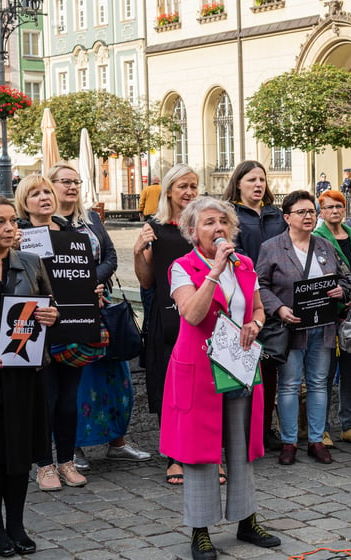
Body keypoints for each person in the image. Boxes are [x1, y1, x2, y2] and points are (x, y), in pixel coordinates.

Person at [162, 197, 280, 559]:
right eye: (209, 223)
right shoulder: (182, 267)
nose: (218, 229)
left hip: (239, 364)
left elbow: (257, 308)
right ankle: (200, 529)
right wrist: (213, 272)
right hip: (199, 368)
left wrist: (255, 324)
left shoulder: (244, 263)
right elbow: (193, 315)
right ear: (192, 231)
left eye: (222, 222)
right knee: (200, 451)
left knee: (241, 445)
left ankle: (246, 519)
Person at [47, 163, 149, 471]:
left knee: (114, 376)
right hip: (66, 313)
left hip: (100, 305)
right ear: (50, 184)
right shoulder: (44, 224)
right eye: (65, 181)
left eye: (76, 181)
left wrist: (94, 280)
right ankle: (73, 445)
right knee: (77, 381)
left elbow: (110, 256)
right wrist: (75, 286)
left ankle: (116, 440)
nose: (72, 187)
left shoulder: (89, 218)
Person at [0, 194, 59, 557]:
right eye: (0, 222)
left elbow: (48, 304)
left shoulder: (30, 262)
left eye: (13, 220)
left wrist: (50, 316)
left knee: (19, 452)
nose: (10, 227)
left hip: (24, 373)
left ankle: (16, 524)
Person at [14, 175, 101, 492]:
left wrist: (95, 289)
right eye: (35, 194)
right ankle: (44, 465)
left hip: (73, 327)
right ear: (25, 203)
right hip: (36, 329)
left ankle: (66, 460)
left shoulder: (72, 235)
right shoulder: (20, 237)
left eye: (47, 191)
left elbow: (82, 273)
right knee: (44, 401)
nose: (44, 197)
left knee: (67, 401)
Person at [256, 190, 349, 466]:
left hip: (322, 327)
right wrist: (279, 309)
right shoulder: (271, 247)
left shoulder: (325, 246)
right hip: (290, 328)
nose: (308, 216)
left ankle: (317, 440)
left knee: (320, 384)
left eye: (311, 211)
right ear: (287, 217)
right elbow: (259, 285)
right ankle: (289, 442)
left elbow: (347, 280)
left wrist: (339, 291)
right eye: (302, 212)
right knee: (289, 385)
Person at [133, 164, 199, 485]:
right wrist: (136, 252)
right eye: (182, 186)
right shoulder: (154, 227)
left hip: (200, 318)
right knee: (168, 385)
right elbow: (146, 281)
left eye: (193, 186)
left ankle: (204, 451)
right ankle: (174, 455)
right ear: (169, 190)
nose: (188, 192)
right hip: (166, 316)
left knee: (202, 386)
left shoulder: (202, 224)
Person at [223, 160, 287, 450]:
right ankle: (238, 430)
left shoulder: (276, 215)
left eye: (261, 179)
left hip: (275, 300)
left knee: (269, 366)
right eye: (251, 180)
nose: (258, 185)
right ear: (238, 183)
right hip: (242, 295)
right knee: (239, 364)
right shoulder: (230, 214)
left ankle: (263, 428)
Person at [312, 190, 351, 446]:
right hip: (327, 313)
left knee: (350, 371)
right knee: (324, 373)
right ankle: (322, 428)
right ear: (321, 211)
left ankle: (348, 424)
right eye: (329, 207)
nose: (335, 211)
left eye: (339, 206)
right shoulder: (316, 238)